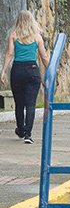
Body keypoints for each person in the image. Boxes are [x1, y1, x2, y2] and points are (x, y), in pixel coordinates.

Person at [1, 10, 50, 144]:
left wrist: (3, 71)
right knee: (30, 104)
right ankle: (28, 135)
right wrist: (51, 71)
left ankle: (21, 131)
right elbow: (44, 57)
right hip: (33, 71)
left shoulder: (13, 35)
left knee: (19, 104)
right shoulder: (37, 37)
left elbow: (9, 54)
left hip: (17, 71)